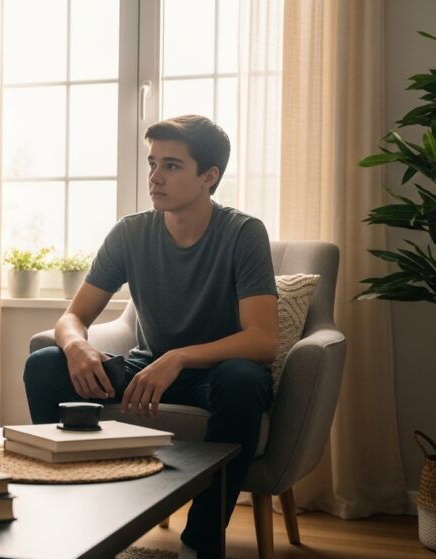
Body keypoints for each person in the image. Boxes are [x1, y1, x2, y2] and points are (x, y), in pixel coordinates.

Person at [22, 115, 278, 558]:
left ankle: (201, 540)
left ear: (209, 176)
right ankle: (76, 513)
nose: (154, 177)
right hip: (147, 365)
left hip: (215, 374)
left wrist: (178, 357)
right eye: (152, 163)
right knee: (44, 364)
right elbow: (73, 317)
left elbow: (262, 340)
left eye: (172, 166)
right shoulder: (130, 232)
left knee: (243, 380)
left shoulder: (242, 233)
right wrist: (77, 345)